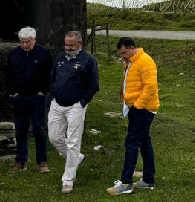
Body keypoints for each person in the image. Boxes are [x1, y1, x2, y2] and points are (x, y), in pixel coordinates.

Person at [48, 30, 99, 194]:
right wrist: (53, 94)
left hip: (75, 106)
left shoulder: (88, 60)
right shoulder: (60, 57)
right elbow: (53, 77)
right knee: (54, 137)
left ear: (80, 44)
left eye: (71, 45)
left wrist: (82, 103)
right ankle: (77, 158)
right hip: (57, 104)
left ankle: (68, 179)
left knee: (73, 142)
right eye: (66, 45)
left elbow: (94, 85)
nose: (68, 48)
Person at [106, 37, 160, 195]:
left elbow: (151, 86)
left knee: (131, 143)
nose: (122, 56)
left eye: (124, 52)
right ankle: (148, 180)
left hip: (142, 108)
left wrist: (137, 106)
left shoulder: (145, 61)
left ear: (132, 48)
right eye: (120, 54)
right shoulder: (131, 61)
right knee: (144, 142)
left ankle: (126, 183)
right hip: (136, 107)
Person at [6, 26, 53, 174]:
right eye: (22, 42)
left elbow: (50, 74)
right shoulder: (14, 54)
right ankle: (20, 161)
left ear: (34, 40)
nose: (25, 45)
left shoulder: (43, 53)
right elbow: (8, 74)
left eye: (28, 42)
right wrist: (13, 92)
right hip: (20, 97)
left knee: (39, 128)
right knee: (20, 129)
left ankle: (42, 161)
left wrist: (43, 91)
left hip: (37, 97)